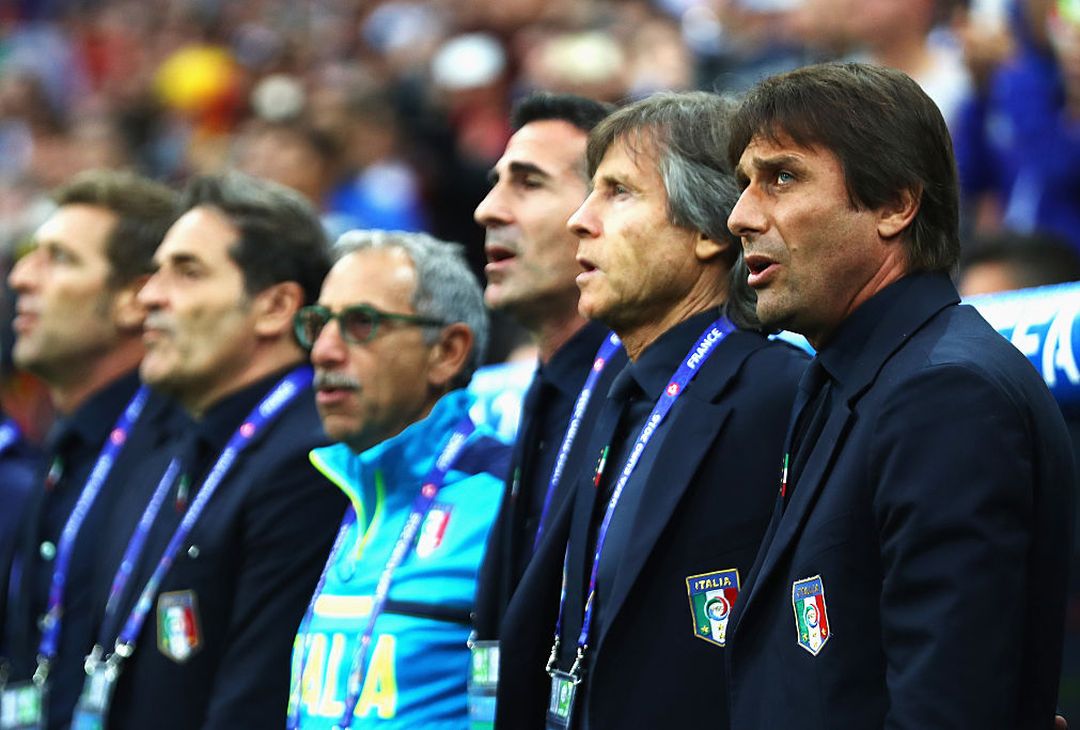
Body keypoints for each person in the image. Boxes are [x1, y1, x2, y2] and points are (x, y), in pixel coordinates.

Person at [724, 62, 1075, 729]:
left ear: (895, 204)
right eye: (745, 184)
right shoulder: (852, 376)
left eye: (782, 177)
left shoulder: (946, 395)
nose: (741, 216)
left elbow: (947, 710)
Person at [494, 91, 808, 730]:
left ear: (705, 231)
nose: (580, 221)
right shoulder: (621, 393)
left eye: (618, 193)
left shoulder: (782, 395)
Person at [77, 172, 347, 730]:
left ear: (274, 307)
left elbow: (254, 702)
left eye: (187, 271)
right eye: (156, 271)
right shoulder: (180, 442)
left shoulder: (309, 461)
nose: (149, 295)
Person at [286, 230, 511, 728]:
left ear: (447, 351)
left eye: (361, 324)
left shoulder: (504, 499)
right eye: (319, 323)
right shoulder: (346, 492)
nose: (323, 352)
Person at [1, 170, 177, 730]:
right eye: (30, 256)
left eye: (59, 258)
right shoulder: (63, 447)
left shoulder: (174, 463)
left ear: (135, 298)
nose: (22, 278)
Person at [470, 92, 623, 718]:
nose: (487, 210)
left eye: (527, 183)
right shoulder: (532, 390)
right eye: (495, 182)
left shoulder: (653, 400)